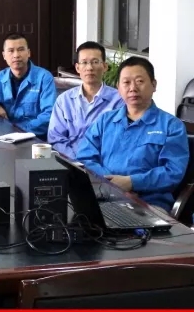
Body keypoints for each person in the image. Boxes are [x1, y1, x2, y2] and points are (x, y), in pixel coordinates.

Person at [77, 56, 189, 212]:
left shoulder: (172, 126)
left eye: (139, 81)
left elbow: (172, 172)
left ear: (154, 85)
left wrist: (132, 182)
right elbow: (85, 158)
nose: (133, 88)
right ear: (118, 87)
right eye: (126, 82)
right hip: (103, 195)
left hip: (149, 203)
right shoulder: (105, 120)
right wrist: (111, 183)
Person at [48, 41, 124, 158]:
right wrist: (75, 161)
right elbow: (56, 139)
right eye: (84, 62)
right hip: (69, 161)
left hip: (103, 164)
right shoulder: (64, 100)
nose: (89, 68)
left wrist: (91, 163)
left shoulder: (118, 101)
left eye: (95, 62)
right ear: (77, 68)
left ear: (105, 67)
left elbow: (117, 141)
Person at [0, 33, 56, 137]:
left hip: (33, 137)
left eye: (21, 49)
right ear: (4, 55)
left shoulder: (44, 78)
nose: (16, 55)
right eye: (11, 51)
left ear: (28, 53)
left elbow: (49, 114)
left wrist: (19, 130)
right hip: (4, 136)